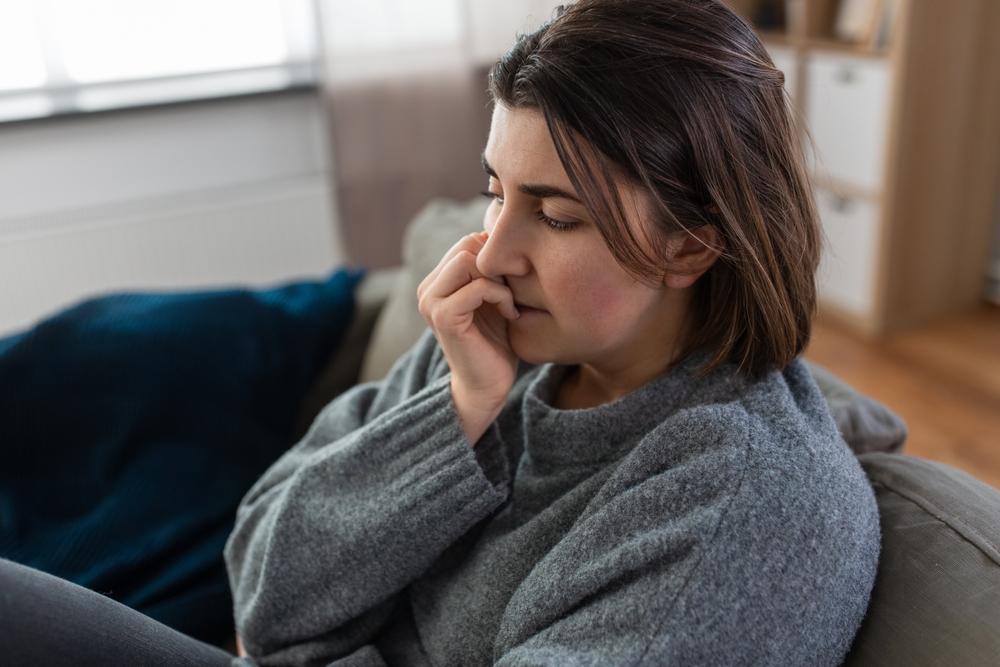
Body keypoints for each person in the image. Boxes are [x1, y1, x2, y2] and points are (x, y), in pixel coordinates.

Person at [0, 1, 879, 665]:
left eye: (557, 216)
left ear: (690, 243)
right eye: (496, 189)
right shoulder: (498, 342)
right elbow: (261, 591)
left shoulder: (736, 512)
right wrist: (457, 411)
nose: (491, 253)